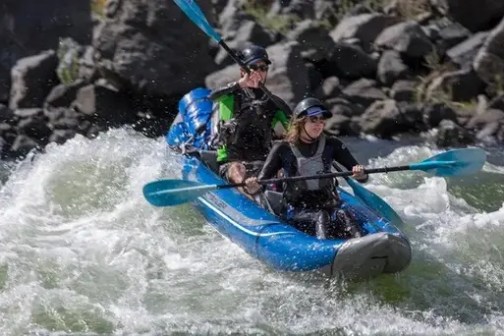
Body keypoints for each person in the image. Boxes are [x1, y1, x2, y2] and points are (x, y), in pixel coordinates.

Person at [245, 97, 368, 239]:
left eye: (321, 120)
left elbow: (359, 173)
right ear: (301, 122)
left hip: (328, 206)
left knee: (344, 215)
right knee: (321, 216)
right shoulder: (283, 148)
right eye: (313, 120)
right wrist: (253, 187)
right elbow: (262, 183)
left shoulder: (332, 144)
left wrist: (361, 174)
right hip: (296, 211)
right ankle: (325, 251)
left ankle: (366, 246)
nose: (318, 125)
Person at [209, 44, 291, 194]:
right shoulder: (230, 96)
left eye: (263, 68)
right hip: (231, 161)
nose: (259, 72)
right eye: (254, 67)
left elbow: (294, 128)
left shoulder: (274, 103)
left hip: (263, 163)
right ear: (242, 71)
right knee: (237, 169)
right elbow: (212, 97)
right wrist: (241, 84)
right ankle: (247, 190)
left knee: (285, 171)